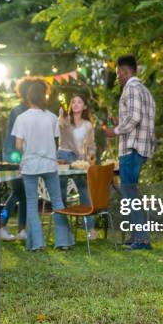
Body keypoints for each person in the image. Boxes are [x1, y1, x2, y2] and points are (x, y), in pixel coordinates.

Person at [11, 79, 74, 251]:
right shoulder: (52, 117)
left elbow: (17, 146)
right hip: (49, 164)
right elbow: (56, 140)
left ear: (29, 98)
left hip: (30, 165)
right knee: (57, 202)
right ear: (44, 97)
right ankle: (63, 242)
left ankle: (37, 244)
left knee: (31, 204)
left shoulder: (21, 118)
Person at [105, 54, 155, 250]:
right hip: (140, 147)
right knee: (131, 192)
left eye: (119, 74)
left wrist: (114, 131)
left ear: (127, 72)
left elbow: (134, 118)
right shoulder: (144, 90)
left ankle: (141, 240)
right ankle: (137, 236)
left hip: (131, 148)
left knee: (130, 194)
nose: (118, 78)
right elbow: (139, 119)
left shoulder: (131, 87)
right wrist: (119, 123)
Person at [57, 94, 97, 239]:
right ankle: (64, 230)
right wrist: (60, 117)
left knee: (84, 192)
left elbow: (91, 146)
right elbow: (59, 129)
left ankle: (91, 229)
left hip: (79, 161)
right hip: (63, 158)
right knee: (61, 194)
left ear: (84, 106)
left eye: (79, 102)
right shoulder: (65, 121)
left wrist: (91, 158)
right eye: (73, 101)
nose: (75, 104)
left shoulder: (88, 125)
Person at [0, 77, 34, 241]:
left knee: (23, 193)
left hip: (27, 157)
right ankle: (1, 223)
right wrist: (15, 159)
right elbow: (14, 139)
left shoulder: (34, 110)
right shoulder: (18, 111)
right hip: (15, 156)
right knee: (17, 192)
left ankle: (21, 230)